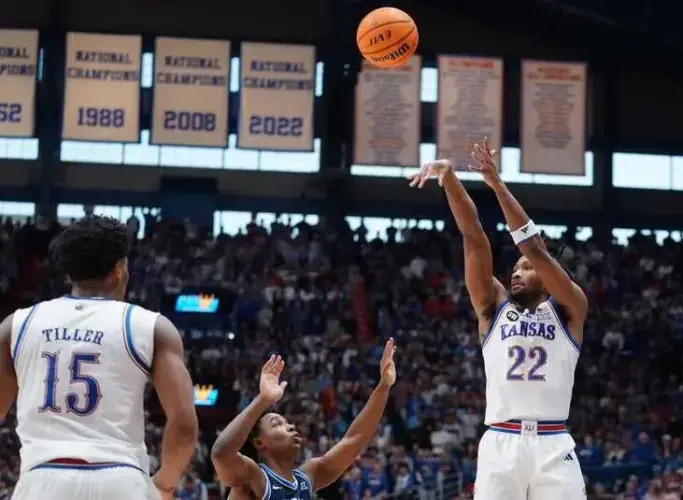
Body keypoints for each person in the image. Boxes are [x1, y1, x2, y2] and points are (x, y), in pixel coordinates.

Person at [408, 140, 588, 499]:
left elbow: (534, 250)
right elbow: (474, 238)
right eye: (515, 269)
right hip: (501, 440)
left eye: (526, 269)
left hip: (553, 442)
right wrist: (450, 179)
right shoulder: (493, 307)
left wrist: (496, 185)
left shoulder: (570, 307)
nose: (516, 273)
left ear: (551, 275)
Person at [0, 215, 199, 499]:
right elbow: (184, 425)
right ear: (119, 269)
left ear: (68, 275)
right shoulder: (151, 327)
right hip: (121, 480)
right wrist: (164, 485)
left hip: (41, 480)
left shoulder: (16, 325)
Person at [211, 338, 397, 500]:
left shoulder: (307, 477)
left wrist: (384, 385)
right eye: (277, 424)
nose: (290, 426)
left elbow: (354, 439)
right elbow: (221, 453)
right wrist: (263, 400)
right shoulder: (253, 477)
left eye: (287, 423)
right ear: (260, 442)